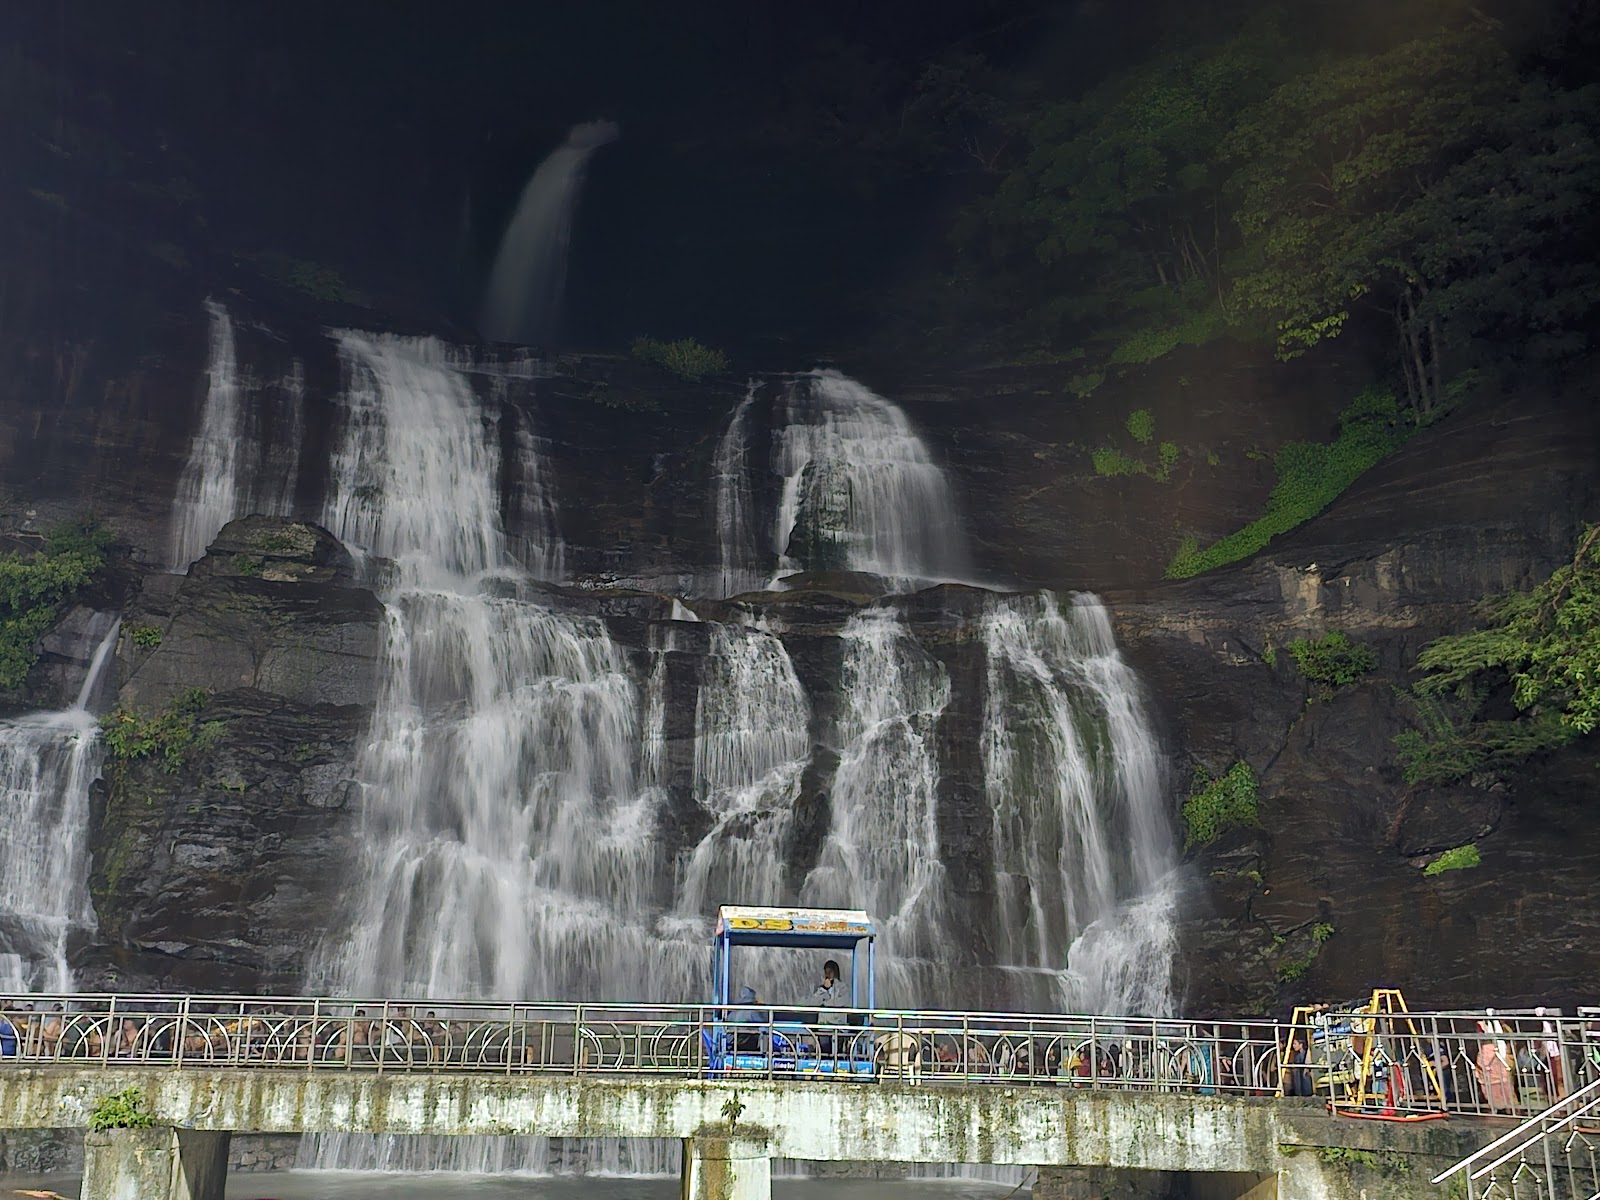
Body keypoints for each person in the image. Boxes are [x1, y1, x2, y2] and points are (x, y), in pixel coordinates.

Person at [811, 960, 848, 1061]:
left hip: (838, 1027)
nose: (828, 974)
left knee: (837, 1053)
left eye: (830, 971)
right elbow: (814, 1002)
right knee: (824, 1053)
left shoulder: (842, 987)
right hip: (824, 1026)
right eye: (826, 971)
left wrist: (825, 1002)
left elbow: (840, 1003)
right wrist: (824, 989)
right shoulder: (820, 988)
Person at [729, 986, 764, 1054]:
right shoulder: (751, 1011)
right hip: (746, 1045)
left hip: (732, 1045)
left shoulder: (733, 1012)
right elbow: (764, 1025)